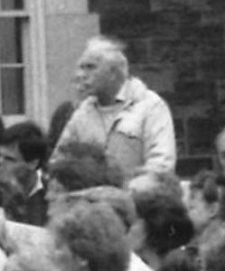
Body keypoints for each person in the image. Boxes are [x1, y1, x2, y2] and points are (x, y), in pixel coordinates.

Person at [58, 37, 176, 178]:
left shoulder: (149, 106)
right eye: (81, 68)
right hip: (90, 198)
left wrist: (131, 193)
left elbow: (161, 165)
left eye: (90, 67)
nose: (81, 75)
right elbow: (59, 161)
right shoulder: (82, 112)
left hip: (136, 197)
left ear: (113, 73)